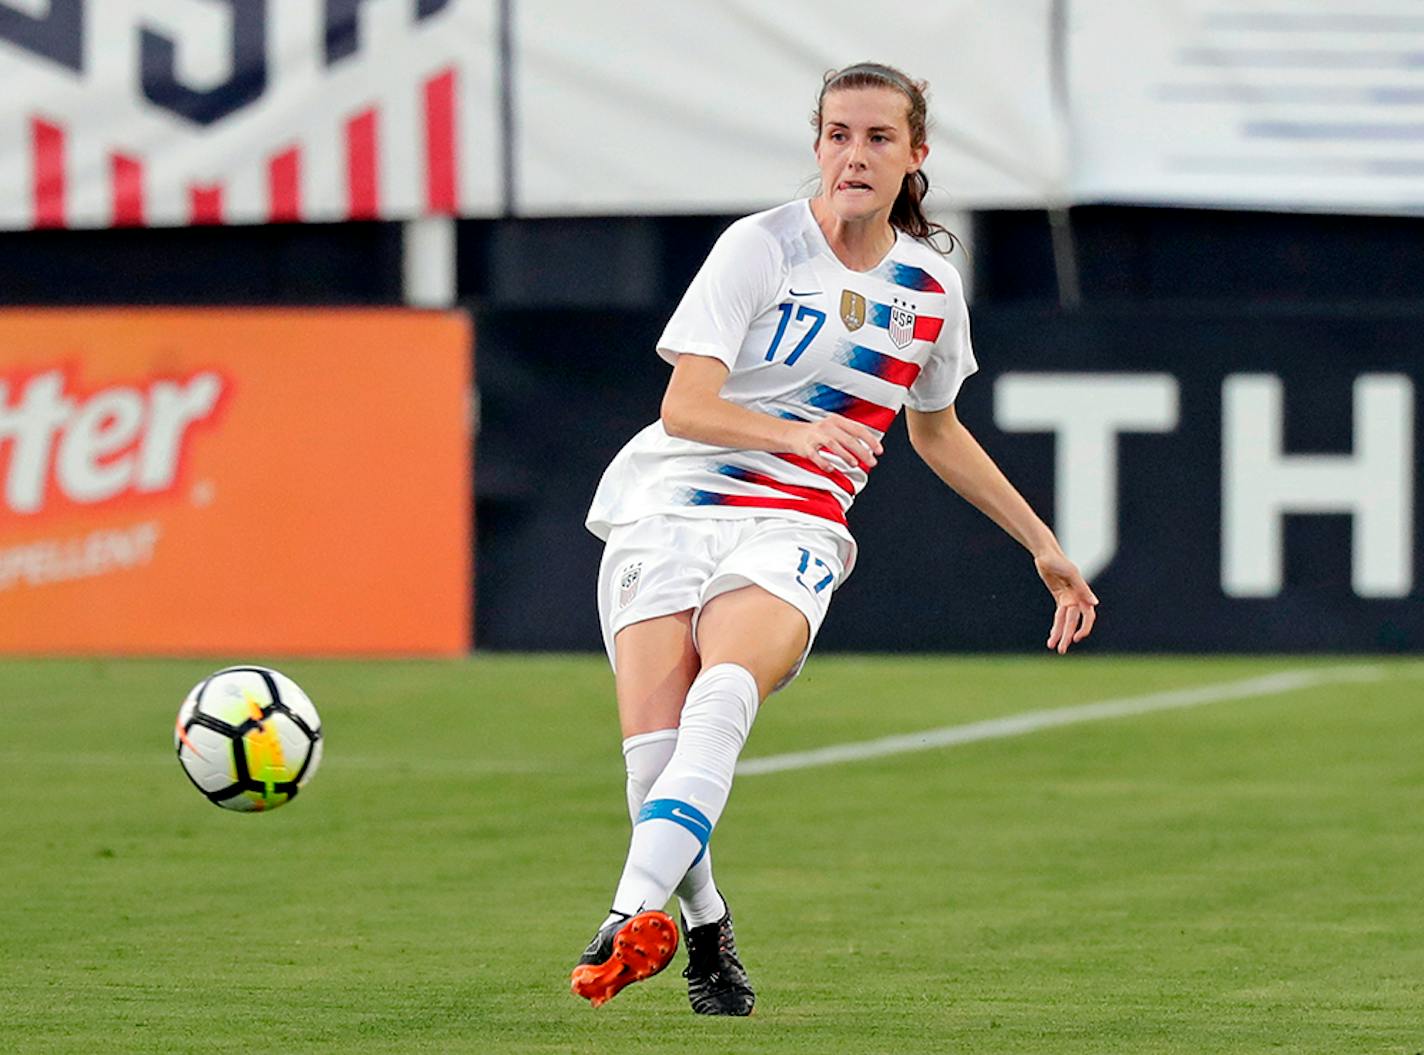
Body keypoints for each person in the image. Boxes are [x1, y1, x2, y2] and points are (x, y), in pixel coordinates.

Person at [570, 61, 1099, 1015]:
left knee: (725, 688)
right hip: (668, 501)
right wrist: (793, 429)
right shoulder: (758, 246)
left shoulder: (930, 287)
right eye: (839, 135)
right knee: (653, 758)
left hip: (797, 518)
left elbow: (935, 428)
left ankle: (622, 915)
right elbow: (685, 405)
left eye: (877, 138)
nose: (854, 154)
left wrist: (1040, 542)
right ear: (817, 146)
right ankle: (706, 929)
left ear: (915, 156)